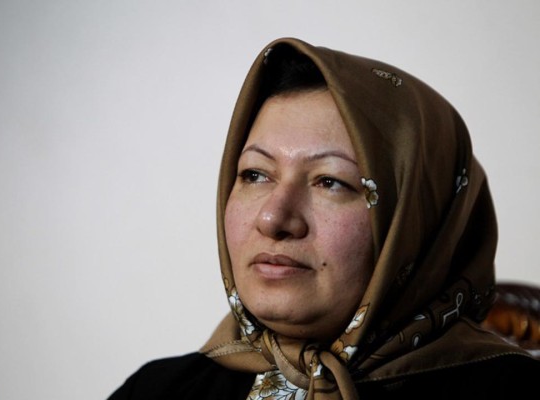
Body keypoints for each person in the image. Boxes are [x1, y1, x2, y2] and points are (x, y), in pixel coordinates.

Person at [107, 37, 540, 399]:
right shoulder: (159, 391)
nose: (274, 217)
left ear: (416, 223)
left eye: (331, 182)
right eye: (255, 174)